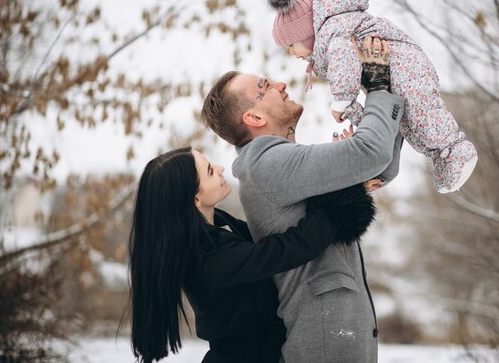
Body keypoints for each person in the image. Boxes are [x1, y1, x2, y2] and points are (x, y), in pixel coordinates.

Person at [201, 37, 404, 363]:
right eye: (264, 86)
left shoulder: (276, 163)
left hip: (333, 340)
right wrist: (379, 84)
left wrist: (389, 93)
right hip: (324, 345)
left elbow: (379, 167)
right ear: (253, 118)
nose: (280, 84)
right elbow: (372, 152)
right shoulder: (265, 162)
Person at [128, 146, 375, 363]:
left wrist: (339, 175)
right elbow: (293, 247)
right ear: (194, 199)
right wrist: (346, 192)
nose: (221, 167)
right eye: (210, 171)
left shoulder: (220, 227)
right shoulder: (209, 259)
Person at [265, 0, 478, 193]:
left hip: (403, 67)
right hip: (393, 74)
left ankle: (455, 152)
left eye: (291, 45)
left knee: (423, 117)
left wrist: (342, 99)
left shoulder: (333, 33)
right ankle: (442, 161)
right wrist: (356, 114)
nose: (292, 53)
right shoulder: (330, 37)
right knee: (408, 124)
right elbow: (371, 98)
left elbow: (344, 60)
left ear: (307, 35)